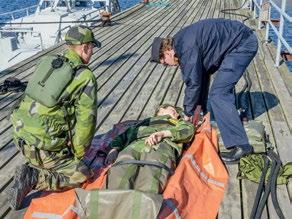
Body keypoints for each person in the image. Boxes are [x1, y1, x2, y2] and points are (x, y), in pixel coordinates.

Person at [9, 25, 100, 210]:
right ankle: (35, 178)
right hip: (44, 149)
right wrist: (79, 156)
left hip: (20, 139)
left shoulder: (48, 61)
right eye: (91, 48)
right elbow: (86, 122)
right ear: (85, 48)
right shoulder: (85, 76)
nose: (91, 52)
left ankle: (40, 164)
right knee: (82, 174)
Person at [150, 18, 258, 163]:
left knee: (219, 94)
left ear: (167, 51)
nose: (167, 66)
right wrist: (198, 110)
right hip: (236, 42)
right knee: (217, 88)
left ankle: (242, 146)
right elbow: (200, 76)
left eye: (164, 62)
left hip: (242, 45)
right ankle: (213, 117)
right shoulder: (181, 44)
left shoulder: (186, 49)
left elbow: (193, 84)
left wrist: (188, 113)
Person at [105, 104, 195, 193]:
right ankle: (112, 203)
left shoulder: (177, 122)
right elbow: (126, 134)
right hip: (134, 145)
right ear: (161, 109)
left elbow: (188, 130)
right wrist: (114, 149)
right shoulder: (147, 121)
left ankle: (142, 205)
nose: (177, 114)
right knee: (120, 172)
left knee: (151, 177)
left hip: (162, 145)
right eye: (173, 110)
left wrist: (163, 134)